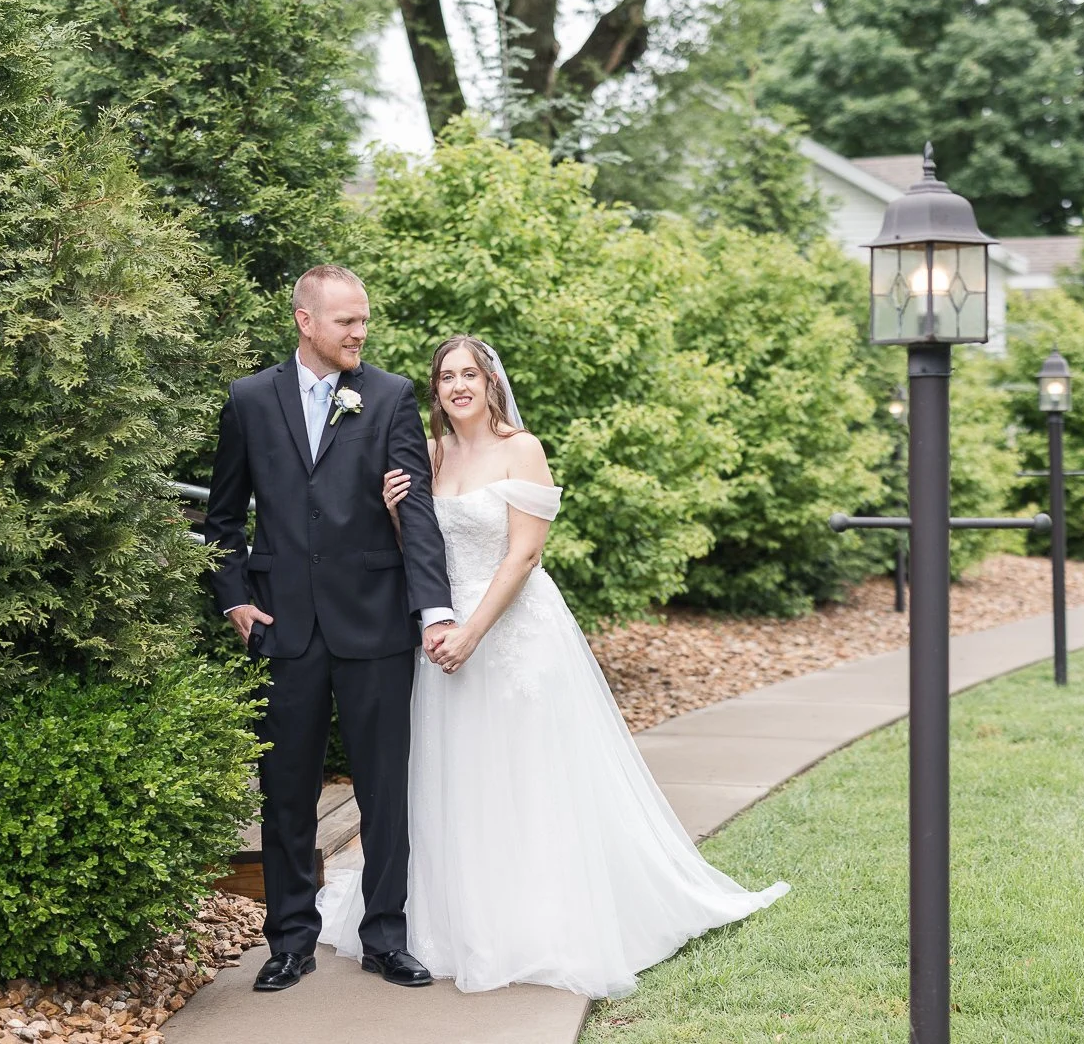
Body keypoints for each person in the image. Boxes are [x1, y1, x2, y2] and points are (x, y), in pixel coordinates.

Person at [315, 335, 789, 999]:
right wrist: (399, 517)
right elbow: (423, 551)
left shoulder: (522, 448)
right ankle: (454, 922)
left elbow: (523, 557)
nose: (458, 386)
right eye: (446, 376)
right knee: (453, 777)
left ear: (490, 384)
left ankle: (538, 922)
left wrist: (471, 632)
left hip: (510, 635)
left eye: (469, 375)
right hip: (443, 637)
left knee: (527, 774)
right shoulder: (430, 454)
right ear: (435, 389)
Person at [204, 265, 456, 992]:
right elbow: (223, 520)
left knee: (384, 789)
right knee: (285, 790)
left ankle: (386, 937)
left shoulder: (389, 396)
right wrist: (233, 600)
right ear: (305, 321)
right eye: (346, 321)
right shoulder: (250, 400)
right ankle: (289, 940)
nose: (360, 332)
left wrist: (432, 609)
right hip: (283, 625)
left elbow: (420, 516)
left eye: (364, 319)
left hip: (376, 620)